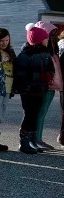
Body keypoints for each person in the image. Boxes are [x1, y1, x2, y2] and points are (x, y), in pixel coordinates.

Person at [14, 25, 54, 154]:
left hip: (40, 88)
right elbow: (20, 74)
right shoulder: (25, 55)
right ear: (39, 39)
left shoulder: (45, 53)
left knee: (35, 114)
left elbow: (50, 68)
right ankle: (24, 141)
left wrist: (48, 75)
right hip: (28, 89)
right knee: (29, 114)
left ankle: (32, 139)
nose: (47, 40)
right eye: (45, 38)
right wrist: (29, 83)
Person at [32, 21, 61, 150]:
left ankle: (39, 138)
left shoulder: (53, 50)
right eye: (50, 35)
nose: (52, 38)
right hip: (42, 86)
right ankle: (35, 139)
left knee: (42, 113)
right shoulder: (39, 51)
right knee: (38, 113)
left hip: (51, 86)